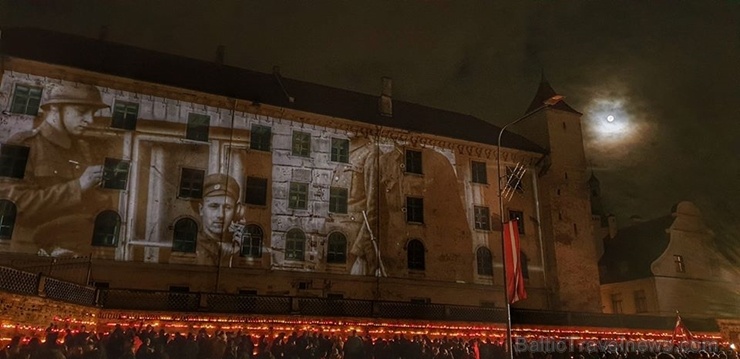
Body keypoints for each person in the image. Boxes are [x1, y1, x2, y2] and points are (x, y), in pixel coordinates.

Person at [0, 82, 112, 256]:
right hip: (33, 253)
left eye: (93, 113)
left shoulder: (83, 149)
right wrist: (78, 187)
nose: (90, 120)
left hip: (79, 253)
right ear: (54, 108)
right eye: (81, 112)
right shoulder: (23, 145)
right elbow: (13, 205)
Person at [195, 173, 244, 266]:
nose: (221, 215)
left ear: (236, 211)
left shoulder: (237, 246)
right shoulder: (192, 246)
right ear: (201, 209)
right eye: (213, 206)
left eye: (227, 207)